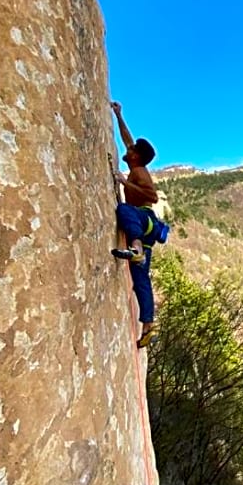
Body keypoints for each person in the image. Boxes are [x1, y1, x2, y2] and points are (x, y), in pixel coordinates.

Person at [110, 100, 163, 348]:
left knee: (124, 209)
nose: (128, 150)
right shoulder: (136, 163)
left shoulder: (139, 171)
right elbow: (127, 139)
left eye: (133, 150)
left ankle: (137, 250)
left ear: (137, 157)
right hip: (147, 230)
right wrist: (119, 115)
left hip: (144, 219)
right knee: (140, 278)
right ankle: (148, 326)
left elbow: (152, 197)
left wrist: (123, 182)